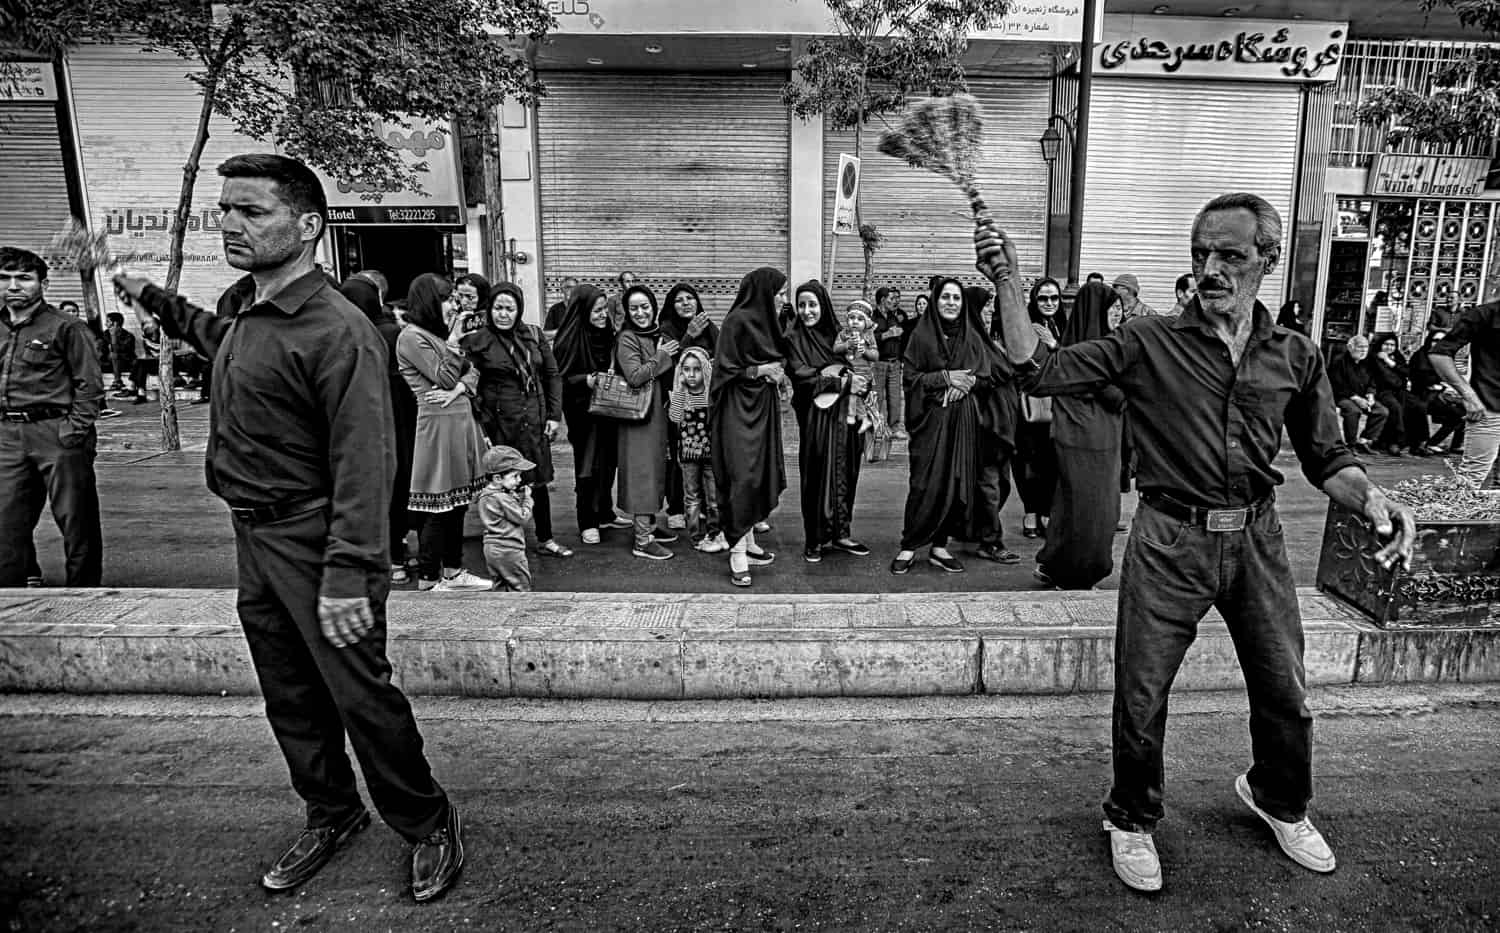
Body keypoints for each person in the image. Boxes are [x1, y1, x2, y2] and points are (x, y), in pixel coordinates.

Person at [977, 191, 1416, 894]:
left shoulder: (1295, 354)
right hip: (1168, 538)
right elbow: (1039, 368)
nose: (1211, 268)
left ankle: (1278, 796)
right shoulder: (1148, 342)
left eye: (1230, 255)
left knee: (1285, 690)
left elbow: (1328, 458)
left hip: (1259, 538)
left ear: (1266, 260)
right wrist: (1007, 281)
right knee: (1142, 692)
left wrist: (1374, 499)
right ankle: (1131, 815)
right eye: (1200, 255)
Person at [112, 154, 463, 901]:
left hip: (319, 538)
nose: (230, 225)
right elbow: (211, 335)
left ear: (308, 226)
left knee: (359, 696)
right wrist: (148, 293)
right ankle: (332, 811)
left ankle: (426, 818)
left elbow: (366, 463)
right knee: (289, 692)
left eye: (252, 212)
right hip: (255, 538)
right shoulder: (246, 307)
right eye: (226, 209)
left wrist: (348, 573)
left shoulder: (338, 329)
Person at [0, 247, 104, 587]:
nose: (14, 286)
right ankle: (12, 596)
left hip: (56, 432)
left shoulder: (66, 327)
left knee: (76, 519)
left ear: (42, 283)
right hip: (7, 435)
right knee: (6, 520)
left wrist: (72, 431)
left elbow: (90, 386)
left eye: (24, 279)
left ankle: (84, 591)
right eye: (4, 278)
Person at [460, 282, 571, 560]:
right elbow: (470, 382)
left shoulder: (532, 335)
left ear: (519, 309)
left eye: (510, 309)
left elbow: (552, 375)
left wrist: (554, 416)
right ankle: (507, 542)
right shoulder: (478, 340)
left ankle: (545, 538)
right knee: (503, 483)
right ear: (490, 309)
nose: (504, 314)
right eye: (498, 308)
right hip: (499, 423)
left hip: (532, 419)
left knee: (538, 480)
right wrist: (481, 419)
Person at [890, 276, 990, 576]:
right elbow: (911, 379)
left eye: (956, 298)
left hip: (963, 421)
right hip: (931, 422)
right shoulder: (921, 336)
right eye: (945, 297)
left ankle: (939, 547)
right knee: (924, 483)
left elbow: (985, 375)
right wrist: (945, 378)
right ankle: (910, 544)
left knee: (955, 482)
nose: (951, 303)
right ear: (935, 301)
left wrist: (968, 383)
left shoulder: (972, 336)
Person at [397, 272, 491, 591]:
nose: (453, 305)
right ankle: (428, 576)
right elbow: (447, 375)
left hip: (458, 423)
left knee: (458, 503)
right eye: (447, 299)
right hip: (437, 428)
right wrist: (455, 359)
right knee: (439, 504)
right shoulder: (412, 337)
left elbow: (472, 371)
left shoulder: (435, 334)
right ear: (429, 302)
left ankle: (453, 570)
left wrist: (460, 387)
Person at [1033, 281, 1125, 590]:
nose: (1117, 314)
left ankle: (1056, 565)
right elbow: (1116, 396)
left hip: (1093, 440)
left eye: (1119, 308)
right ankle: (1076, 573)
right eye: (1111, 308)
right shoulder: (1089, 354)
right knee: (1093, 512)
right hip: (1089, 442)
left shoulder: (1083, 349)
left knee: (1074, 508)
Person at [785, 279, 872, 565]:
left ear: (823, 305)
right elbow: (802, 376)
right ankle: (816, 539)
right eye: (802, 305)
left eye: (813, 304)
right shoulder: (793, 339)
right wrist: (840, 381)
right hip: (817, 420)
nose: (807, 311)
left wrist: (860, 382)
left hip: (846, 418)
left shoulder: (839, 334)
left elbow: (861, 365)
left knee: (846, 473)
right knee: (817, 478)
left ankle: (841, 533)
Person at [712, 267, 788, 587]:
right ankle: (737, 551)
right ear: (763, 293)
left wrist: (779, 375)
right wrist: (762, 370)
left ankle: (750, 541)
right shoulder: (737, 321)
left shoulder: (769, 323)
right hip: (737, 412)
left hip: (763, 409)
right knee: (742, 476)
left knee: (759, 475)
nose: (784, 299)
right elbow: (726, 369)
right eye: (780, 293)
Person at [341, 274, 418, 583]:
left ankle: (392, 556)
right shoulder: (391, 332)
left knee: (380, 488)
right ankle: (399, 552)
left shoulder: (355, 335)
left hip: (370, 425)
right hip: (398, 423)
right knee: (398, 484)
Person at [552, 284, 627, 544]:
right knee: (588, 467)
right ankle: (587, 521)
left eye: (604, 309)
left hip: (609, 410)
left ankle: (605, 512)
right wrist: (586, 379)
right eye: (596, 310)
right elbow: (559, 379)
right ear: (582, 311)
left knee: (608, 464)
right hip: (583, 414)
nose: (602, 315)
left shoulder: (609, 335)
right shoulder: (567, 340)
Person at [614, 284, 679, 560]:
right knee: (642, 472)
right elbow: (636, 376)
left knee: (655, 467)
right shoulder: (627, 338)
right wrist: (663, 356)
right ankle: (642, 540)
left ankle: (649, 525)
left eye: (645, 306)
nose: (641, 313)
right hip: (638, 418)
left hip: (656, 416)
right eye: (634, 308)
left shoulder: (654, 334)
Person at [659, 282, 720, 531]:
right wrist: (688, 337)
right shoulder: (666, 330)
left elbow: (722, 356)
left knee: (705, 456)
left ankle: (704, 507)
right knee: (680, 456)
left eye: (690, 298)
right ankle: (675, 507)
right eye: (679, 300)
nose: (686, 303)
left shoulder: (709, 328)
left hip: (705, 406)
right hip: (679, 405)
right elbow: (668, 366)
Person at [970, 284, 1022, 564]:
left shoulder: (991, 341)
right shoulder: (973, 343)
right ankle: (991, 541)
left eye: (991, 306)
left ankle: (979, 532)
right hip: (987, 427)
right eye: (985, 306)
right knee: (990, 487)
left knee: (1001, 486)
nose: (990, 311)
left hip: (1003, 427)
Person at [1430, 298, 1500, 488]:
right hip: (1489, 407)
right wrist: (1468, 396)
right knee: (1468, 483)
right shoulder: (1484, 315)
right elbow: (1439, 354)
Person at [1014, 278, 1063, 539]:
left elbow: (1073, 359)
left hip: (1057, 406)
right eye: (1043, 298)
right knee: (1027, 462)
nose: (1049, 303)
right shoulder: (1025, 326)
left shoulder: (1063, 325)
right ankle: (1031, 511)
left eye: (1054, 298)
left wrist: (1054, 344)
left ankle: (1046, 511)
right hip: (1029, 404)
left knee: (1053, 461)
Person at [669, 347, 726, 552]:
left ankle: (715, 533)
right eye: (686, 369)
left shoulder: (712, 393)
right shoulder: (681, 393)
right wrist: (679, 391)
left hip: (711, 454)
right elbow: (674, 417)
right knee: (692, 497)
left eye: (697, 369)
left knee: (713, 497)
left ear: (705, 370)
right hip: (688, 455)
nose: (691, 375)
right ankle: (696, 537)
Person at [476, 444, 535, 592]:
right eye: (515, 476)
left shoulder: (485, 495)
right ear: (497, 478)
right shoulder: (502, 497)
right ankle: (522, 614)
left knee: (500, 587)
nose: (519, 480)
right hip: (509, 549)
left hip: (491, 549)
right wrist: (528, 500)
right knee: (521, 588)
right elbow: (522, 517)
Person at [1408, 329, 1466, 455]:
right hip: (1422, 396)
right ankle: (1428, 443)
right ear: (1429, 340)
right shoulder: (1420, 355)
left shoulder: (1443, 356)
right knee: (1454, 414)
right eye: (1435, 340)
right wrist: (1436, 384)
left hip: (1438, 395)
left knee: (1463, 411)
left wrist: (1440, 385)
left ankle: (1454, 444)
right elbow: (1419, 378)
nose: (1438, 343)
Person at [1327, 335, 1386, 456]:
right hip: (1342, 396)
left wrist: (1371, 394)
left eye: (1366, 347)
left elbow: (1373, 381)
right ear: (1350, 347)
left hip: (1362, 396)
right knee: (1353, 411)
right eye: (1360, 347)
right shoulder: (1339, 361)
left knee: (1381, 411)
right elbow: (1337, 384)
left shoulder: (1368, 361)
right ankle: (1351, 444)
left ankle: (1363, 441)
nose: (1364, 350)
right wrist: (1355, 398)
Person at [835, 298, 881, 434]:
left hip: (864, 372)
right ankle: (859, 417)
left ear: (866, 322)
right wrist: (847, 345)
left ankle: (857, 417)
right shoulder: (843, 334)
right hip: (849, 371)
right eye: (852, 318)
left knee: (859, 395)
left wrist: (865, 351)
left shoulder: (868, 336)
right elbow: (835, 348)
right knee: (852, 393)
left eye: (860, 319)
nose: (855, 321)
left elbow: (875, 355)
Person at [1365, 333, 1412, 457]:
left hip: (1399, 390)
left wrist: (1389, 361)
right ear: (1380, 345)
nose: (1389, 347)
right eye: (1386, 344)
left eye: (1392, 345)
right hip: (1381, 391)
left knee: (1416, 405)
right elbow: (1386, 378)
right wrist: (1398, 377)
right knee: (1395, 408)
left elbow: (1406, 372)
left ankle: (1416, 441)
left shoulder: (1397, 357)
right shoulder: (1373, 358)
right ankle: (1395, 441)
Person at [872, 286, 908, 440]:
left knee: (895, 398)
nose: (894, 301)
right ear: (882, 300)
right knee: (878, 397)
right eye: (891, 299)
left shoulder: (894, 316)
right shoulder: (872, 318)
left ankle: (895, 428)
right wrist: (887, 334)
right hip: (880, 363)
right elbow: (869, 339)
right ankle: (878, 428)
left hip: (895, 363)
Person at [105, 312, 136, 394]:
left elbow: (123, 351)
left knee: (114, 355)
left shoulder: (128, 336)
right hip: (109, 360)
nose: (105, 324)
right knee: (112, 355)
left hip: (125, 360)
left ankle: (117, 381)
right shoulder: (105, 334)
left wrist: (113, 337)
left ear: (115, 323)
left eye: (107, 321)